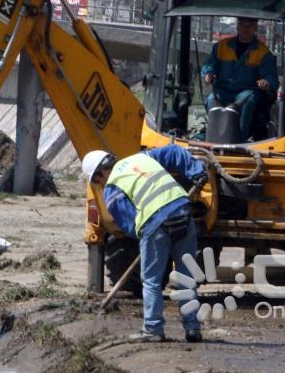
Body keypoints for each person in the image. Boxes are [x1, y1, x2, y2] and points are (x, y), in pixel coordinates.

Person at [82, 145, 207, 343]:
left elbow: (130, 225)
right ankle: (192, 328)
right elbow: (174, 151)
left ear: (101, 173)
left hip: (156, 223)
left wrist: (148, 239)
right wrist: (196, 170)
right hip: (183, 211)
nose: (100, 183)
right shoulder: (141, 157)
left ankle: (153, 329)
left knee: (151, 281)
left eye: (97, 180)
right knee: (186, 277)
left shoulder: (112, 189)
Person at [201, 17, 279, 140]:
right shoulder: (221, 46)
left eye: (249, 26)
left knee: (249, 100)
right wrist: (208, 74)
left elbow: (271, 78)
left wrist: (266, 82)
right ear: (237, 26)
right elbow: (209, 64)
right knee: (211, 99)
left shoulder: (263, 53)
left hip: (245, 91)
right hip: (223, 91)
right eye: (242, 25)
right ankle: (212, 136)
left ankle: (239, 139)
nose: (245, 29)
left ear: (255, 28)